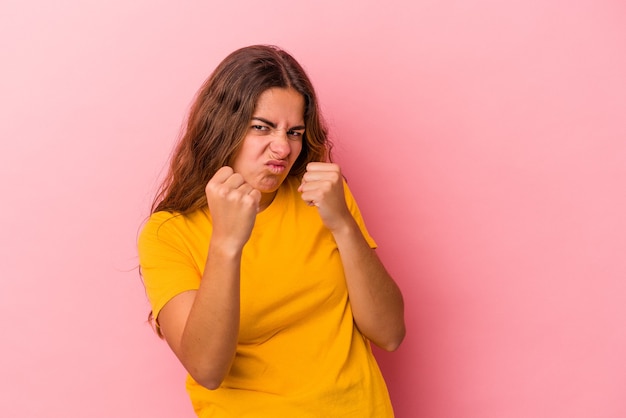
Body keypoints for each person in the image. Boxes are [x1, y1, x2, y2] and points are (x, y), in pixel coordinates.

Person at [138, 44, 405, 417]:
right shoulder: (168, 232)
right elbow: (207, 369)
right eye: (261, 127)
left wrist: (343, 224)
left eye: (294, 132)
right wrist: (227, 243)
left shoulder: (323, 197)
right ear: (222, 127)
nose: (282, 147)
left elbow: (390, 333)